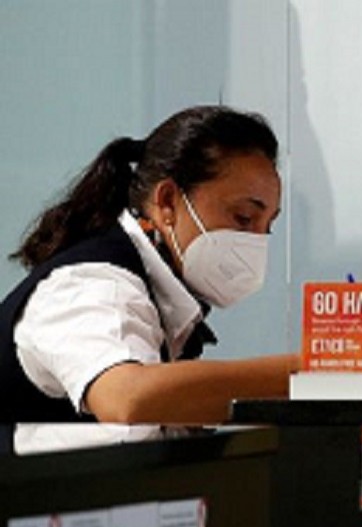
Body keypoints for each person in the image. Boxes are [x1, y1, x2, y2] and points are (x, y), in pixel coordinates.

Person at [0, 105, 296, 436]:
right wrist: (308, 372)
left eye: (266, 227)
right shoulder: (93, 284)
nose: (255, 243)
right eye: (243, 217)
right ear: (168, 201)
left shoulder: (160, 305)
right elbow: (127, 398)